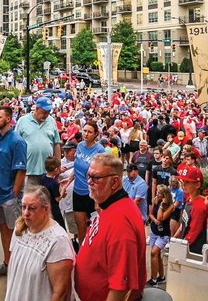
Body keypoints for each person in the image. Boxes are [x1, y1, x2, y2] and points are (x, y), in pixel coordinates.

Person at [74, 154, 147, 301]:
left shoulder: (121, 222)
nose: (89, 182)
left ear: (114, 182)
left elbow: (121, 287)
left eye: (95, 178)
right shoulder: (109, 206)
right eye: (88, 176)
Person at [4, 186, 75, 301]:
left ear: (45, 209)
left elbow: (60, 293)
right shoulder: (20, 228)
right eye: (23, 207)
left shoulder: (57, 241)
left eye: (32, 208)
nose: (26, 213)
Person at [0, 105, 27, 279]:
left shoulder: (17, 141)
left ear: (8, 120)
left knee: (17, 232)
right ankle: (8, 263)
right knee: (3, 230)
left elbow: (21, 170)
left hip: (9, 196)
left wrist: (14, 193)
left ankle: (21, 267)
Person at [72, 121, 106, 244]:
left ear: (96, 134)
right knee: (80, 228)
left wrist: (98, 201)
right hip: (77, 192)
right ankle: (82, 255)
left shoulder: (100, 150)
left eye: (89, 132)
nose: (86, 134)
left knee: (95, 228)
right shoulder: (80, 146)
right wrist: (68, 180)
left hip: (92, 194)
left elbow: (103, 175)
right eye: (84, 131)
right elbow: (77, 167)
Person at [17, 97, 62, 186]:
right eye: (44, 112)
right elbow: (16, 145)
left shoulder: (51, 121)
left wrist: (58, 165)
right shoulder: (23, 121)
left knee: (46, 198)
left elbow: (56, 144)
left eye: (48, 112)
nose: (46, 115)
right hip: (29, 171)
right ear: (37, 109)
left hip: (48, 171)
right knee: (30, 198)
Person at [175, 165, 208, 254]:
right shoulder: (189, 198)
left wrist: (180, 248)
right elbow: (183, 225)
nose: (183, 185)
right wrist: (174, 239)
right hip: (184, 244)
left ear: (197, 184)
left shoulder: (199, 207)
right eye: (182, 181)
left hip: (192, 250)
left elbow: (193, 234)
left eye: (187, 182)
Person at [148, 184, 175, 287]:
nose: (157, 194)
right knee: (157, 255)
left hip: (163, 234)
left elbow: (160, 217)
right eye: (157, 192)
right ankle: (162, 277)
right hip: (154, 231)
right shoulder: (155, 200)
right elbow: (151, 214)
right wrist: (153, 220)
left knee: (153, 253)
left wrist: (161, 206)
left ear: (164, 195)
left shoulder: (170, 206)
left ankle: (154, 279)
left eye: (159, 193)